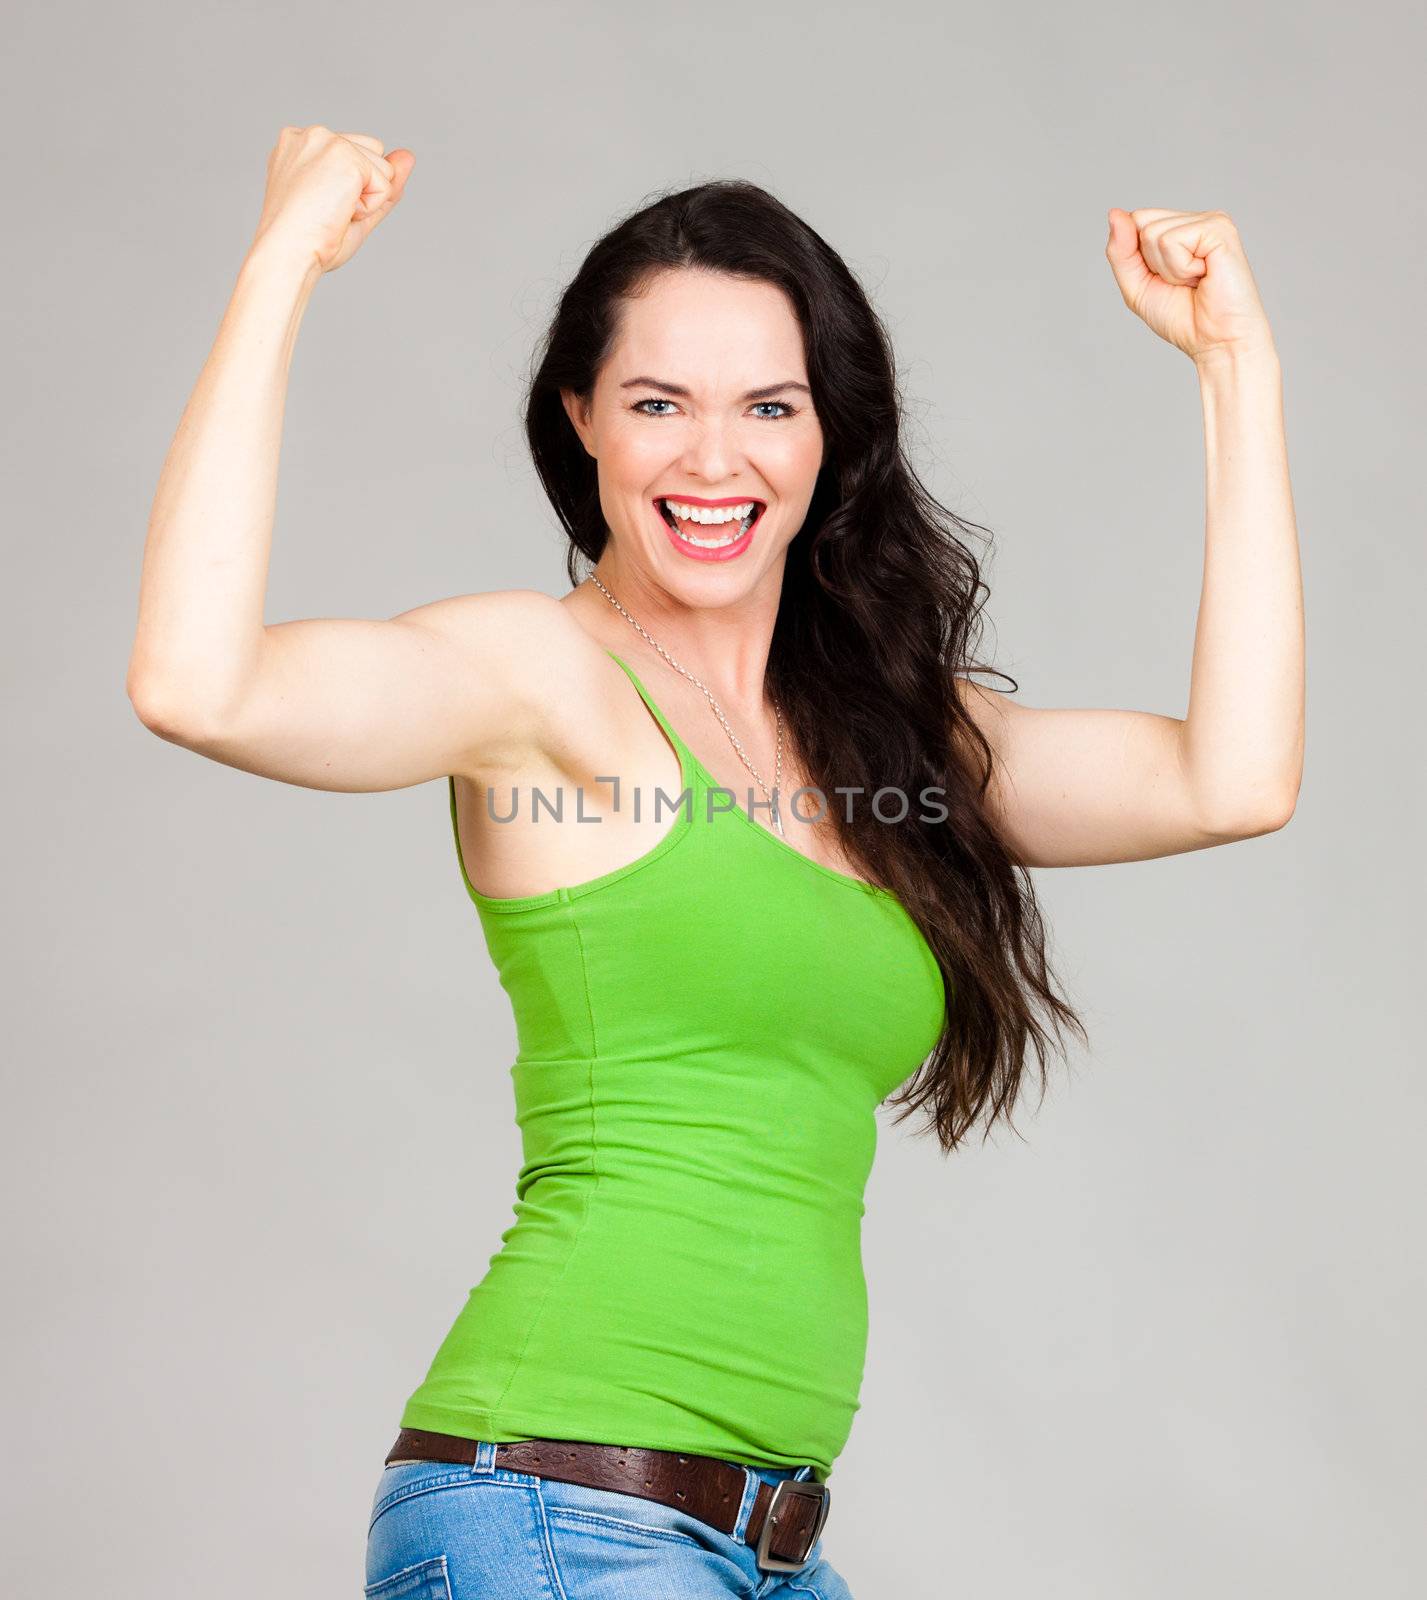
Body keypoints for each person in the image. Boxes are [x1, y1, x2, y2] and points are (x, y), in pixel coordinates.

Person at [126, 127, 1304, 1599]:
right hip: (555, 1506)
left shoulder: (889, 745)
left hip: (768, 1543)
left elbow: (1232, 779)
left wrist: (1235, 367)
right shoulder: (537, 683)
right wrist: (281, 264)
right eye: (657, 402)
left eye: (769, 406)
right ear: (582, 424)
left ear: (829, 440)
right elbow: (197, 683)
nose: (713, 457)